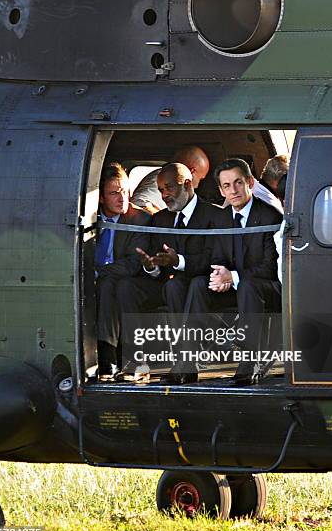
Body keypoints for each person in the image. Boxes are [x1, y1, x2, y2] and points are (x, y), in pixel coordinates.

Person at [117, 162, 222, 383]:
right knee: (127, 286)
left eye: (169, 188)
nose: (164, 195)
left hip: (201, 285)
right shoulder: (161, 219)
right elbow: (157, 267)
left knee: (177, 286)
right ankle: (137, 359)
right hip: (166, 283)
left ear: (187, 184)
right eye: (161, 190)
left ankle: (184, 359)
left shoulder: (214, 215)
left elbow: (215, 259)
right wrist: (151, 266)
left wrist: (180, 261)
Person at [182, 158, 282, 386]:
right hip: (236, 286)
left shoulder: (269, 216)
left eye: (238, 183)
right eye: (226, 186)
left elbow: (270, 267)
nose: (233, 190)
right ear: (220, 189)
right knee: (199, 284)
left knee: (248, 286)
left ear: (249, 182)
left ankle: (251, 364)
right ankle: (187, 361)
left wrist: (233, 277)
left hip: (267, 289)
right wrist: (219, 275)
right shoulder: (222, 218)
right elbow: (217, 256)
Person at [95, 163, 151, 376]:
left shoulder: (139, 219)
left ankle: (109, 357)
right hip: (105, 280)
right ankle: (108, 358)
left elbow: (133, 263)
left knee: (111, 284)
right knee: (108, 285)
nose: (122, 198)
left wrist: (98, 272)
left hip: (131, 281)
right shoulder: (92, 218)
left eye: (125, 191)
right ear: (101, 198)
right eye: (114, 193)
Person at [131, 145, 210, 212]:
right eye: (200, 178)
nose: (197, 186)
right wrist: (167, 223)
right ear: (191, 171)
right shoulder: (161, 178)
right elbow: (138, 203)